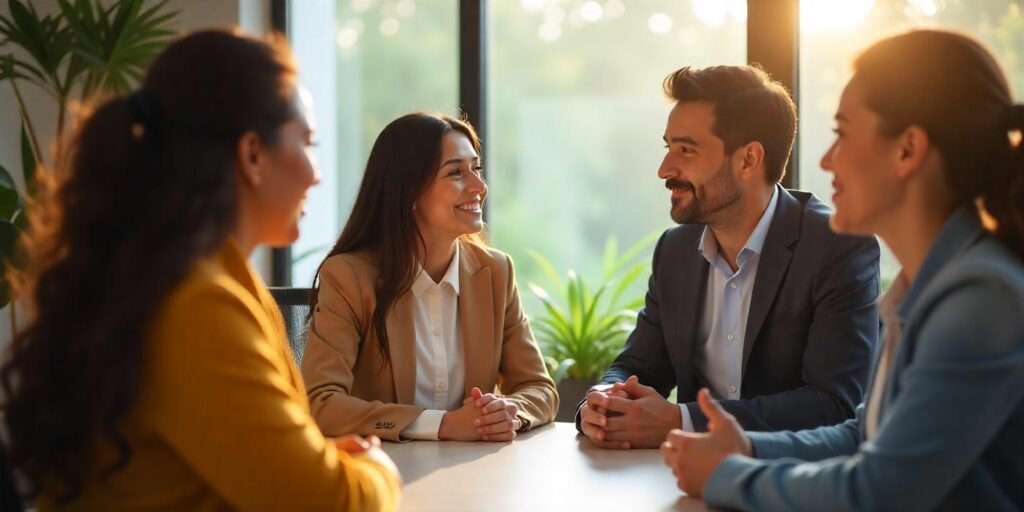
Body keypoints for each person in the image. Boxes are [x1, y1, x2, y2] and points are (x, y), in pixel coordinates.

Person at [0, 30, 401, 511]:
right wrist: (378, 469)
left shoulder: (184, 277)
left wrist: (316, 461)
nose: (317, 173)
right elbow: (331, 504)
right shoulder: (199, 304)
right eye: (308, 142)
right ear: (252, 154)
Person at [662, 29, 1024, 511]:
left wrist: (728, 476)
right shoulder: (932, 284)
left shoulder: (980, 297)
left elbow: (879, 491)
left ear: (907, 150)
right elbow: (865, 435)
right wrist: (747, 447)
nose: (827, 160)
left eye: (842, 133)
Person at [577, 65, 881, 449]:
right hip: (689, 485)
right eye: (667, 147)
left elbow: (835, 404)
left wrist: (684, 420)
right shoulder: (675, 251)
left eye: (686, 149)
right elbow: (639, 367)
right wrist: (603, 400)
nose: (664, 169)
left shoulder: (836, 246)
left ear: (748, 160)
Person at [302, 112, 557, 442]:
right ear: (408, 191)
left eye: (475, 169)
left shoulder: (494, 272)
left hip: (474, 473)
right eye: (455, 172)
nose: (479, 187)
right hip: (382, 471)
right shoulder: (350, 278)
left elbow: (538, 387)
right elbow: (319, 403)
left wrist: (506, 413)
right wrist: (443, 425)